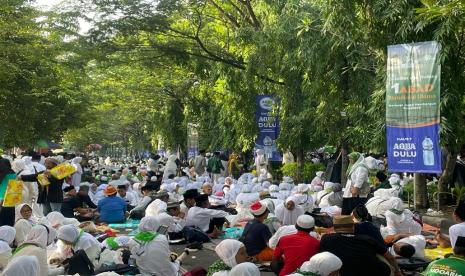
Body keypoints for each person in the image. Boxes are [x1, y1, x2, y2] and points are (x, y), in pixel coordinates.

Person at [319, 215, 402, 276]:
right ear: (353, 227)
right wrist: (397, 271)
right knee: (380, 254)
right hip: (375, 272)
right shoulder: (367, 239)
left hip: (344, 272)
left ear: (335, 228)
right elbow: (390, 257)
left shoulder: (326, 239)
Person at [0, 158, 17, 226]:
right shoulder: (14, 174)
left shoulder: (1, 173)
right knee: (9, 219)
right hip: (10, 201)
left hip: (1, 199)